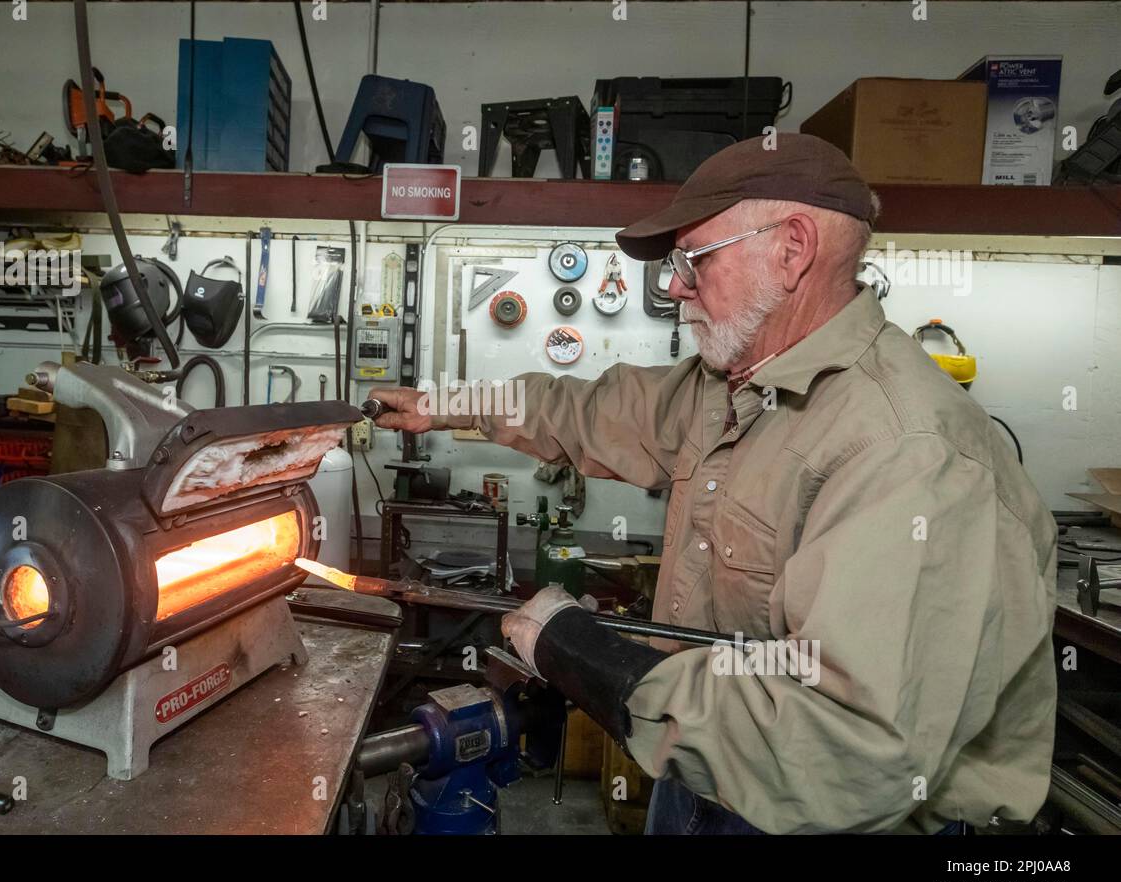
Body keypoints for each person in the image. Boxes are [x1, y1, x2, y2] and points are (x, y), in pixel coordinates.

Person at [370, 134, 1057, 835]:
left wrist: (582, 655)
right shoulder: (736, 387)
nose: (672, 286)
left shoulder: (907, 452)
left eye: (694, 260)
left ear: (792, 250)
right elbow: (589, 411)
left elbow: (844, 751)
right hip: (704, 776)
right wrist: (446, 404)